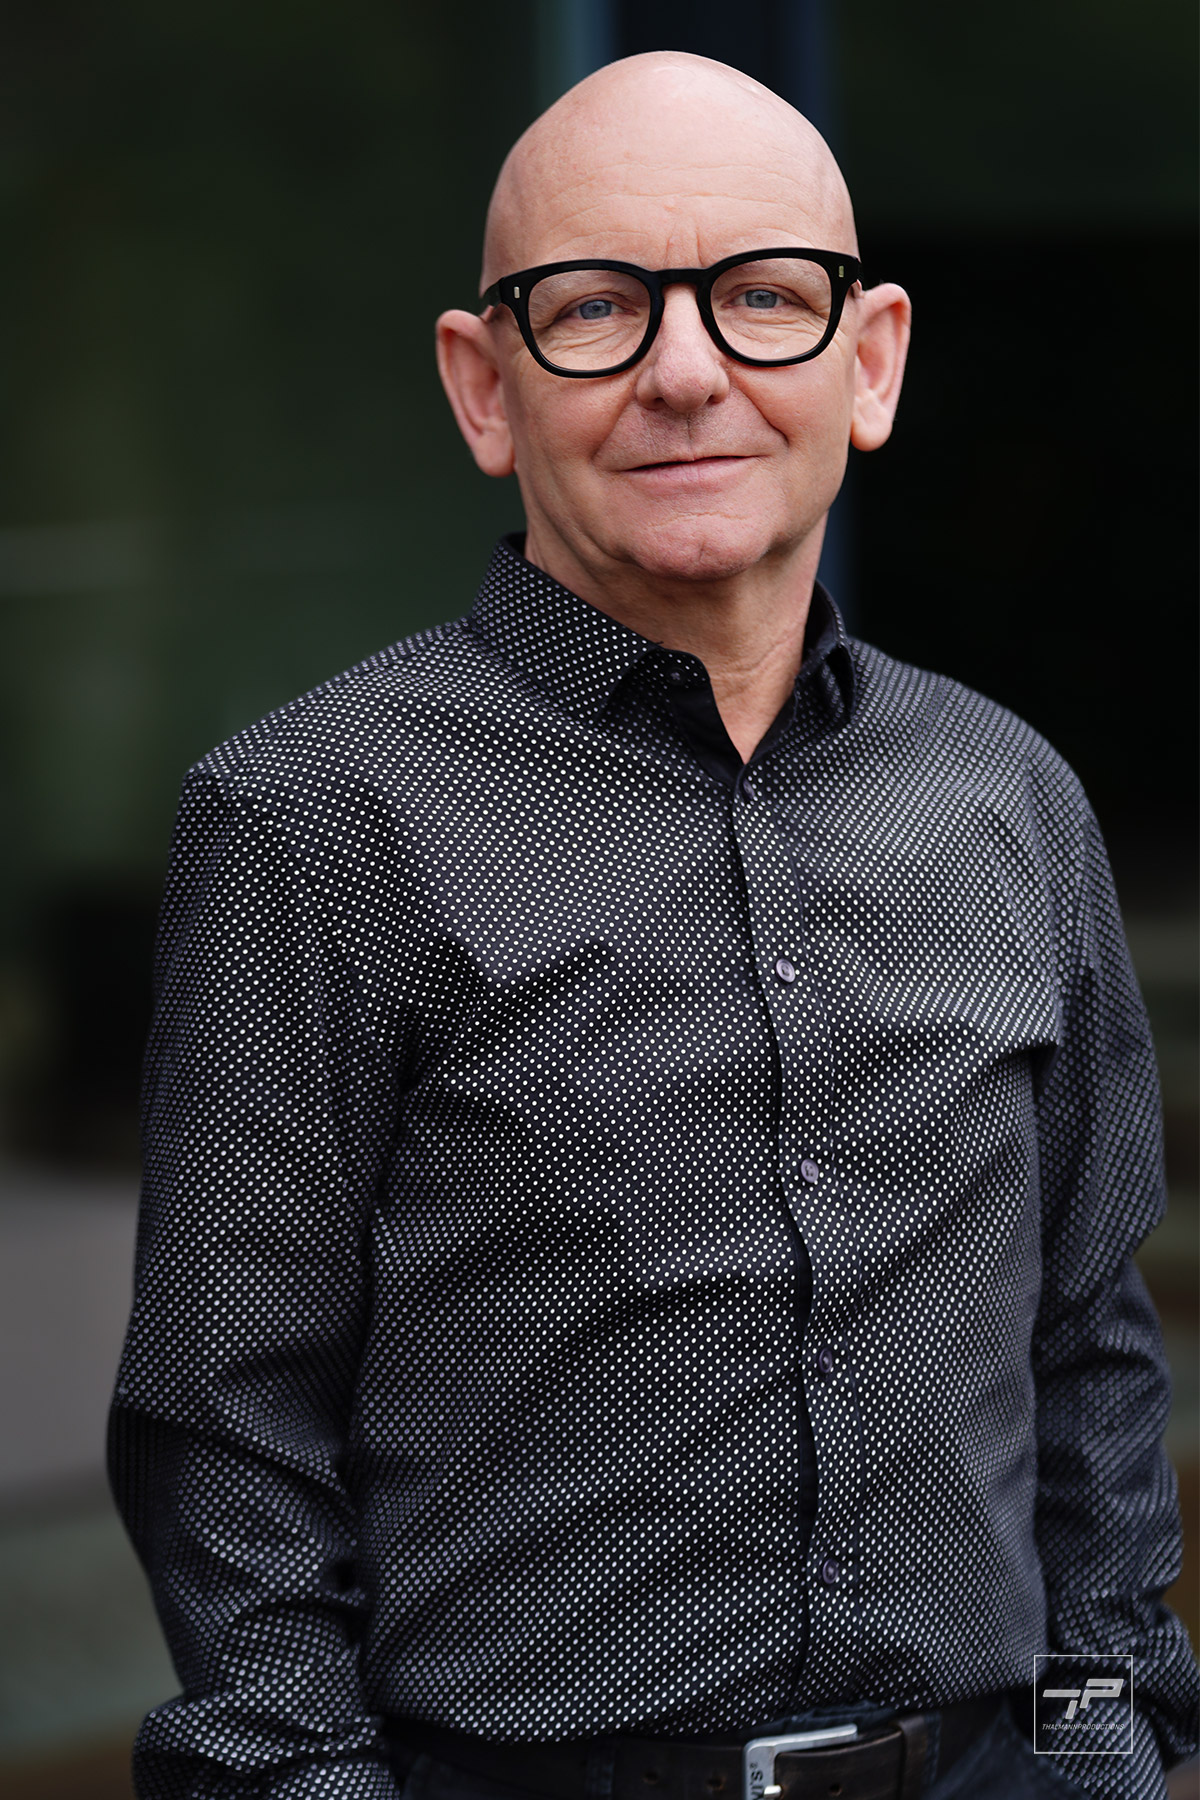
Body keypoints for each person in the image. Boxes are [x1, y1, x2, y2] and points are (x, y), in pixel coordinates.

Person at [109, 50, 1198, 1800]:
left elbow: (1088, 1347)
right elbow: (226, 1431)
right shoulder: (315, 819)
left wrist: (1103, 1744)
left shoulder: (1009, 796)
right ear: (485, 387)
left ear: (870, 361)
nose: (687, 373)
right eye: (598, 308)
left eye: (764, 297)